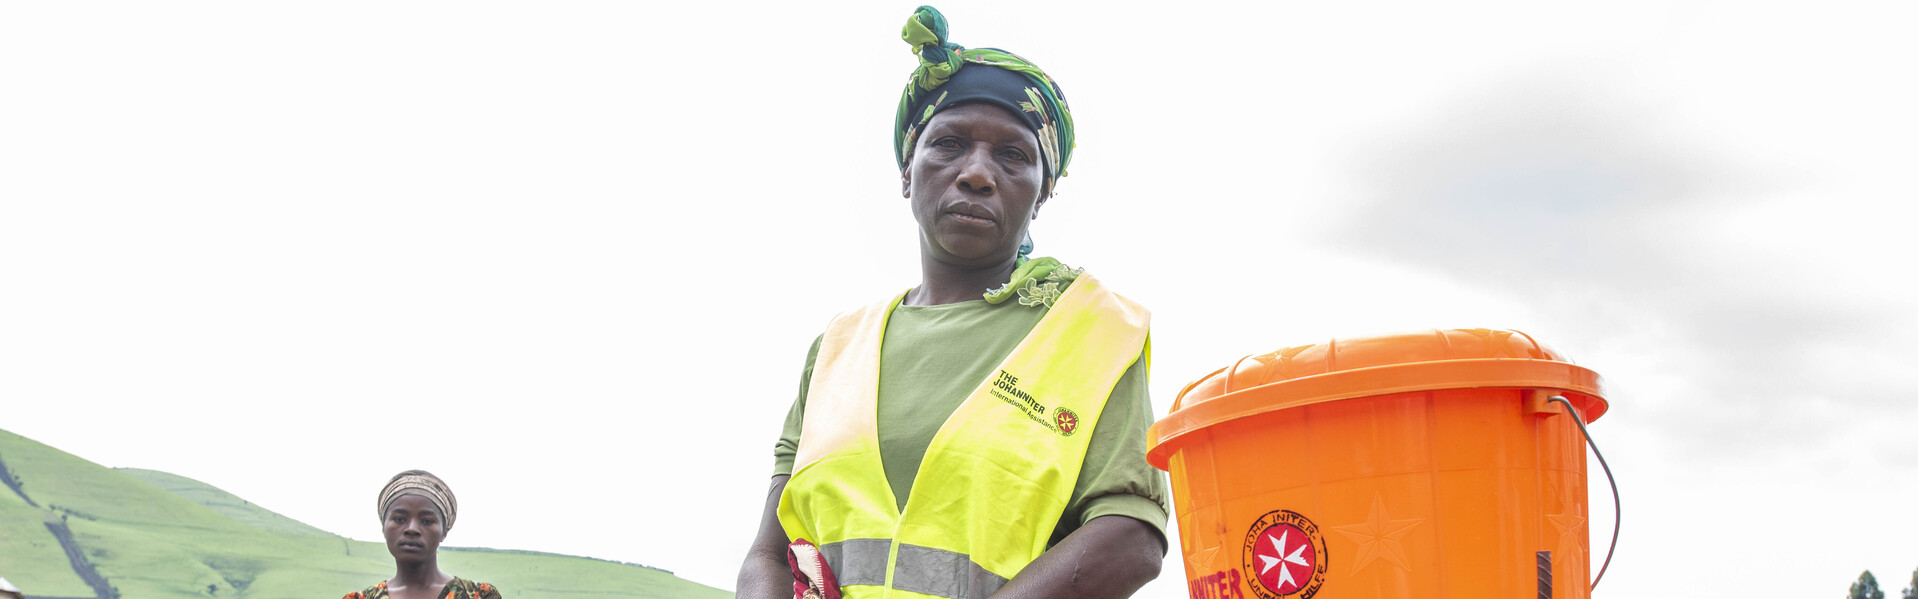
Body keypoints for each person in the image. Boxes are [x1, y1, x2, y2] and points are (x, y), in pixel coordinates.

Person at [736, 7, 1167, 599]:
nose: (976, 174)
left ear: (1043, 192)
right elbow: (770, 551)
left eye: (1013, 155)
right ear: (908, 172)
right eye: (949, 144)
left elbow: (1130, 538)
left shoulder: (1092, 332)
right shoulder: (839, 347)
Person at [344, 470, 501, 599]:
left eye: (427, 521)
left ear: (444, 531)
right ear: (383, 527)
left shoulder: (478, 596)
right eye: (399, 519)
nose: (412, 529)